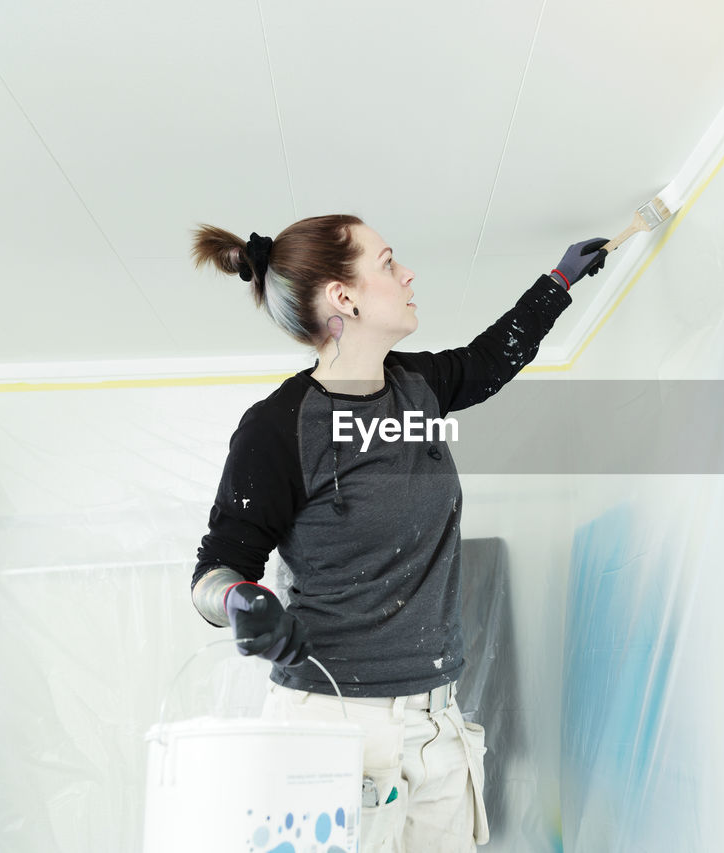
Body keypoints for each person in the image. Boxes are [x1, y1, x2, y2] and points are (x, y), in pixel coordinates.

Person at [188, 214, 607, 852]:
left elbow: (491, 359)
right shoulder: (279, 427)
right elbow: (215, 571)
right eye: (388, 262)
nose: (407, 273)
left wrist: (559, 281)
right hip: (331, 726)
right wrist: (241, 601)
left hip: (436, 723)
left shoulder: (418, 390)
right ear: (343, 297)